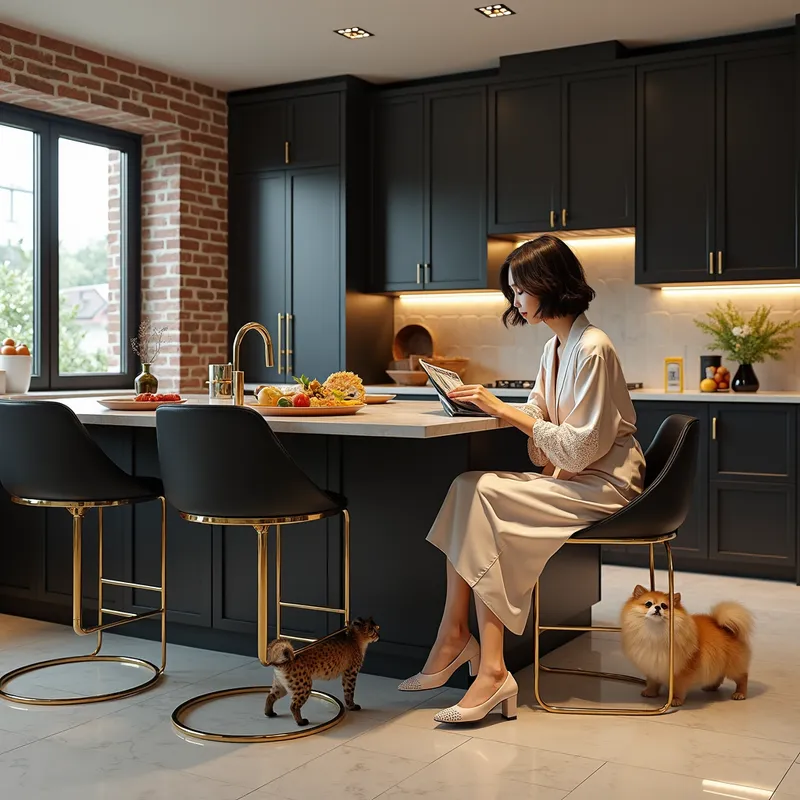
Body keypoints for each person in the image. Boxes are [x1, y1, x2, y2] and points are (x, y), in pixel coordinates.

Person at [398, 235, 646, 724]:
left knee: (486, 498)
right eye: (511, 291)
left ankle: (483, 663)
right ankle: (460, 639)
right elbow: (539, 419)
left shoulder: (592, 349)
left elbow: (578, 448)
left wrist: (502, 411)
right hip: (578, 479)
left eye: (520, 289)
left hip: (607, 487)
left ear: (547, 284)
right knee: (470, 485)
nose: (515, 301)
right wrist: (494, 405)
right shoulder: (555, 347)